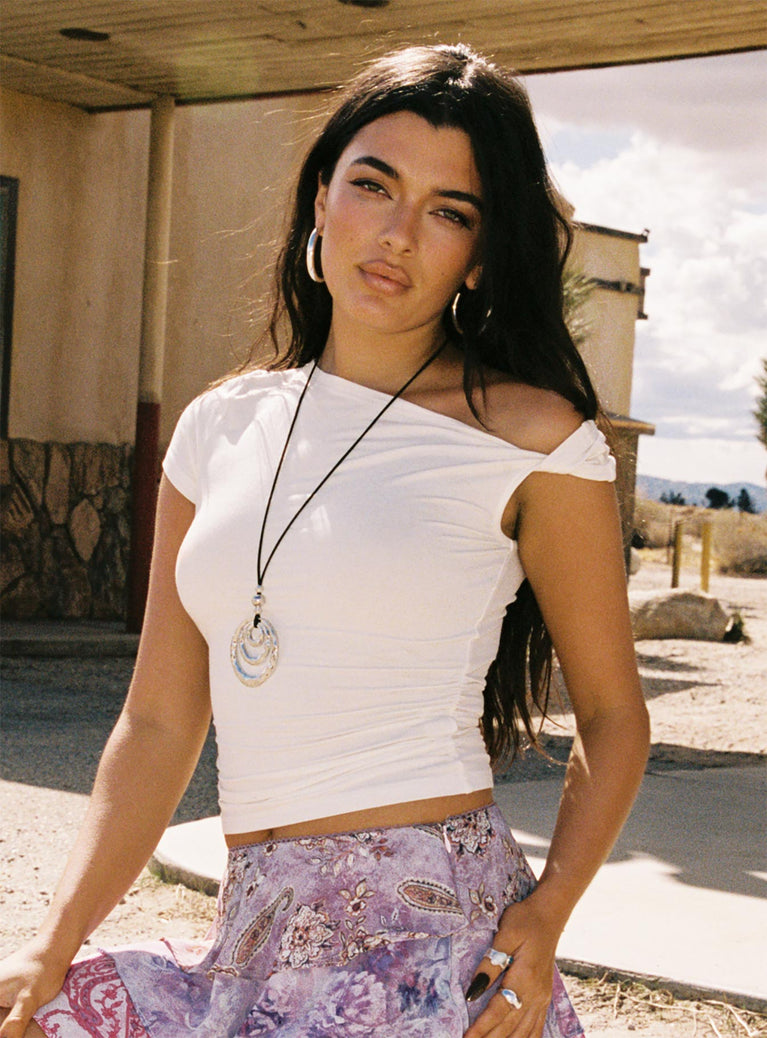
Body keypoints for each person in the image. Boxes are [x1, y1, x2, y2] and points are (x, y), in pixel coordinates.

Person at [0, 43, 649, 1038]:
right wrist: (54, 940)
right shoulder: (218, 426)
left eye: (448, 212)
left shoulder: (530, 438)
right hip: (254, 933)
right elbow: (159, 724)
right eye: (372, 186)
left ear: (480, 254)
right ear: (319, 199)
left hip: (430, 945)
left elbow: (610, 714)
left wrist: (547, 912)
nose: (395, 234)